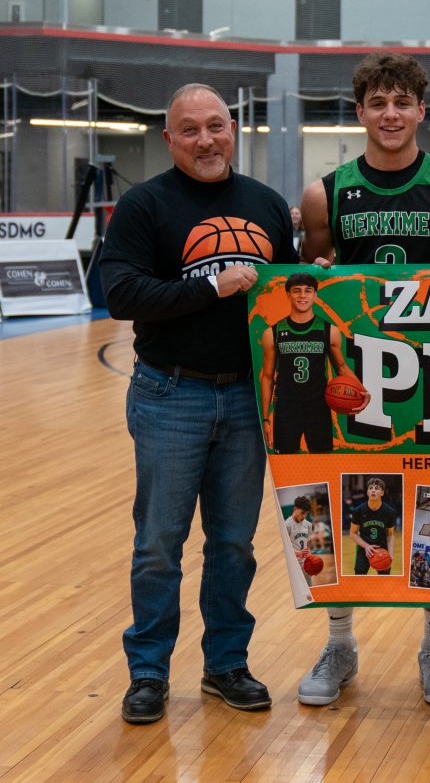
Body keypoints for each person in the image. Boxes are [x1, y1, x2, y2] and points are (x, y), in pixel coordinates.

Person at [100, 82, 297, 724]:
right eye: (191, 129)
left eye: (216, 125)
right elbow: (121, 294)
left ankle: (226, 665)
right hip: (169, 392)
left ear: (234, 128)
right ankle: (150, 672)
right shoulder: (143, 205)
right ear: (170, 139)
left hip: (246, 398)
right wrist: (212, 285)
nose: (206, 139)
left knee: (234, 544)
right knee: (159, 542)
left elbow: (296, 299)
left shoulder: (267, 205)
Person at [297, 51, 430, 707]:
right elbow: (308, 288)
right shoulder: (325, 193)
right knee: (342, 506)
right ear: (360, 113)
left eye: (402, 101)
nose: (391, 114)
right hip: (356, 383)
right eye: (378, 103)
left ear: (421, 110)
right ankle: (340, 642)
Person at [259, 271, 367, 453]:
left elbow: (341, 367)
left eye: (308, 291)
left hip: (318, 407)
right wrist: (266, 419)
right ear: (288, 294)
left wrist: (363, 391)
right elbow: (268, 377)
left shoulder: (329, 330)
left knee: (323, 466)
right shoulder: (273, 333)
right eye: (296, 291)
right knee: (286, 468)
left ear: (315, 295)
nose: (302, 296)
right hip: (286, 408)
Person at [350, 477, 398, 575]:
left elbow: (390, 534)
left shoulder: (389, 512)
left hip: (382, 548)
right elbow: (353, 533)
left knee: (384, 579)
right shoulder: (358, 510)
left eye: (377, 488)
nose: (373, 490)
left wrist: (391, 554)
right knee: (359, 574)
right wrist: (366, 546)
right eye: (370, 488)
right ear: (367, 492)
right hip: (364, 548)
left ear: (382, 493)